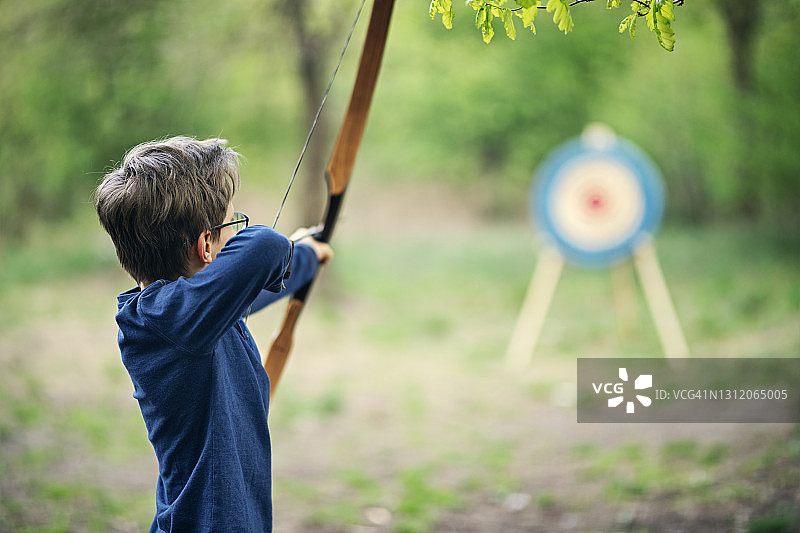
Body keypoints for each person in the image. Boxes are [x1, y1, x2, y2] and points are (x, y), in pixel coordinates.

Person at [94, 136, 332, 532]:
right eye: (232, 225)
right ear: (206, 243)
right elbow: (265, 249)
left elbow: (249, 286)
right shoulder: (169, 320)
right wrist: (288, 251)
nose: (239, 232)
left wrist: (306, 256)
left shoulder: (187, 313)